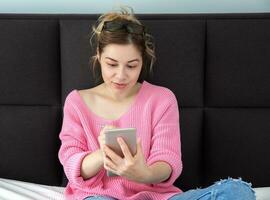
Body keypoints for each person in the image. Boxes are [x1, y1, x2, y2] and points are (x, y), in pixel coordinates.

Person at [58, 6, 256, 200]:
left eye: (131, 66)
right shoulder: (77, 102)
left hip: (157, 197)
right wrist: (103, 154)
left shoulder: (162, 99)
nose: (121, 75)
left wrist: (143, 174)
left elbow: (168, 160)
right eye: (111, 64)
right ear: (99, 57)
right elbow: (71, 164)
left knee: (238, 191)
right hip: (99, 196)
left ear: (142, 62)